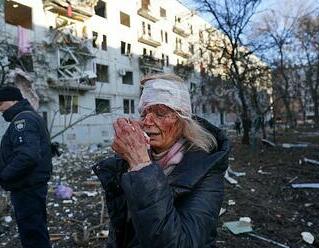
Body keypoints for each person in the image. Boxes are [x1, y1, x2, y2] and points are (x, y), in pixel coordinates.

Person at [93, 74, 230, 247]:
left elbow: (180, 243)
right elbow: (122, 229)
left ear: (183, 121)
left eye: (160, 113)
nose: (147, 121)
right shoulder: (133, 158)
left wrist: (141, 166)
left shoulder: (207, 169)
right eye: (144, 113)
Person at [0, 86, 52, 248]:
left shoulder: (23, 121)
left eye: (1, 103)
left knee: (33, 235)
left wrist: (3, 175)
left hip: (27, 187)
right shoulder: (28, 117)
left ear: (13, 101)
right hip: (30, 186)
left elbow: (27, 156)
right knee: (35, 231)